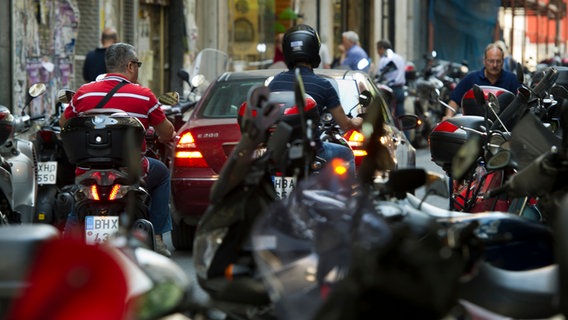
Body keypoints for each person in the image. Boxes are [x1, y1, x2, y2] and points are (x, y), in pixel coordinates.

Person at [60, 42, 175, 257]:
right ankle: (158, 237)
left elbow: (63, 124)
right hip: (132, 171)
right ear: (130, 66)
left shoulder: (83, 94)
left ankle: (67, 241)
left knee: (78, 200)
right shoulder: (144, 96)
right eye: (138, 64)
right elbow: (167, 133)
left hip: (88, 172)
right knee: (162, 174)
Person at [268, 24, 363, 177]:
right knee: (345, 153)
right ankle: (345, 199)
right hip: (312, 152)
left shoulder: (275, 82)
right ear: (314, 51)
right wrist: (358, 121)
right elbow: (344, 124)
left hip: (279, 152)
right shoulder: (323, 85)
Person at [444, 42, 521, 119]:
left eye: (498, 61)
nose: (494, 65)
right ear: (484, 61)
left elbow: (521, 104)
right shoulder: (471, 78)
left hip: (504, 128)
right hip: (474, 128)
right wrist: (449, 116)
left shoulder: (512, 80)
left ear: (503, 61)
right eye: (491, 61)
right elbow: (454, 100)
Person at [376, 39, 408, 138]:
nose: (378, 53)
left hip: (389, 92)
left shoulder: (384, 60)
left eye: (378, 50)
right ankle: (406, 139)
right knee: (401, 118)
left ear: (382, 49)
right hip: (400, 90)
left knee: (389, 119)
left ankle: (392, 139)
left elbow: (378, 76)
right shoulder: (399, 58)